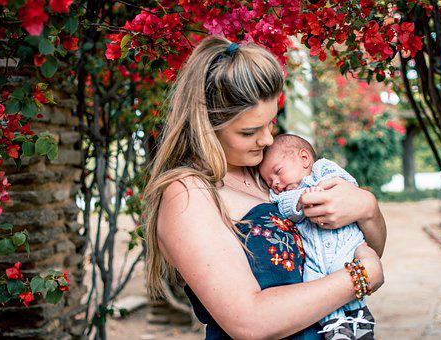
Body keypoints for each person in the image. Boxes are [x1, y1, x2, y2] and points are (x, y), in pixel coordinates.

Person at [142, 35, 386, 339]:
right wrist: (357, 279)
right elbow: (249, 321)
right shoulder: (188, 194)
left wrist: (368, 209)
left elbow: (356, 249)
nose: (268, 139)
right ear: (206, 125)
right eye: (249, 132)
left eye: (271, 122)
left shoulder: (267, 172)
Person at [259, 134, 375, 339]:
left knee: (351, 271)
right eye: (269, 181)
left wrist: (326, 187)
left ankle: (359, 317)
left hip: (345, 244)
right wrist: (301, 200)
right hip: (315, 256)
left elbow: (348, 184)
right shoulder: (284, 195)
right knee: (316, 282)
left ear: (304, 159)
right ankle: (335, 325)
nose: (275, 183)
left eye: (278, 172)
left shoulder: (323, 169)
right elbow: (287, 209)